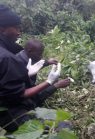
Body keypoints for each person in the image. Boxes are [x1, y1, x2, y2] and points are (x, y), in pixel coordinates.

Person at [0, 4, 68, 132]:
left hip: (9, 101)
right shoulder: (9, 58)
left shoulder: (17, 55)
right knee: (61, 126)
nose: (19, 32)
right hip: (10, 112)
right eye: (16, 28)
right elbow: (21, 95)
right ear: (2, 29)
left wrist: (46, 63)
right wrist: (50, 82)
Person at [16, 39, 71, 106]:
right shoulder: (19, 65)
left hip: (22, 90)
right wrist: (55, 85)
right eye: (39, 54)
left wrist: (47, 62)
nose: (41, 57)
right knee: (31, 103)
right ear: (30, 51)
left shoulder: (23, 55)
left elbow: (35, 65)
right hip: (19, 101)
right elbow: (31, 96)